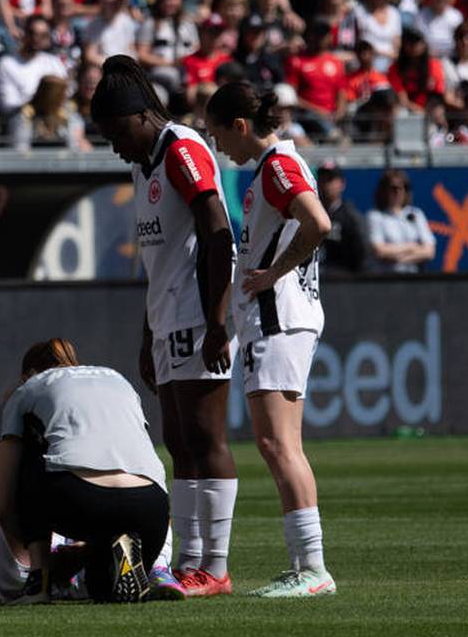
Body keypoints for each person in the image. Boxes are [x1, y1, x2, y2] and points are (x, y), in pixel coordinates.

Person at [91, 54, 235, 599]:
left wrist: (218, 320)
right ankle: (192, 561)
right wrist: (147, 333)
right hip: (168, 315)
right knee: (179, 439)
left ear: (139, 116)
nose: (113, 145)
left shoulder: (181, 148)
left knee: (205, 435)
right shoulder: (144, 162)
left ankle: (214, 568)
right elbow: (159, 259)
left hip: (202, 313)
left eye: (114, 132)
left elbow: (218, 232)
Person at [204, 81, 337, 598]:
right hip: (281, 316)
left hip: (277, 317)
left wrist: (273, 273)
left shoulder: (278, 167)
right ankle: (309, 566)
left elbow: (318, 223)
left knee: (275, 443)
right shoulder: (279, 166)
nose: (219, 148)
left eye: (219, 135)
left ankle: (312, 568)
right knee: (284, 444)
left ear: (240, 126)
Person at [0, 338, 171, 604]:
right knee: (100, 586)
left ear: (27, 374)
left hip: (80, 500)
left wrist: (36, 546)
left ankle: (38, 580)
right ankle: (110, 556)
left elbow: (2, 506)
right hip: (152, 509)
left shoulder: (27, 390)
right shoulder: (117, 379)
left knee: (28, 453)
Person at [0, 15, 68, 118]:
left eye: (43, 35)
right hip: (22, 117)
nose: (37, 39)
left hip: (52, 116)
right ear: (24, 33)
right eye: (33, 33)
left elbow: (64, 96)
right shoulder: (7, 64)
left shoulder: (54, 63)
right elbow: (7, 106)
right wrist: (36, 102)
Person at [365, 170, 436, 273]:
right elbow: (380, 251)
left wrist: (402, 259)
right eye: (394, 188)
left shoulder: (416, 214)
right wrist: (412, 247)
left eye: (404, 188)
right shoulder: (375, 216)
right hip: (385, 280)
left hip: (414, 279)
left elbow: (429, 252)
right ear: (384, 191)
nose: (399, 192)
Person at [315, 163, 366, 275]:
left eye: (330, 179)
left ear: (342, 183)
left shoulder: (350, 217)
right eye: (322, 179)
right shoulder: (310, 213)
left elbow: (360, 255)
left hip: (341, 280)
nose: (325, 184)